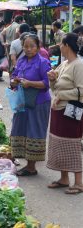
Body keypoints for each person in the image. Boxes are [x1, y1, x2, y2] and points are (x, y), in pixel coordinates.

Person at [47, 33, 83, 194]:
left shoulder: (79, 65)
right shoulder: (64, 64)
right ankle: (64, 178)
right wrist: (52, 79)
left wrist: (61, 95)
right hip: (58, 110)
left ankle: (79, 182)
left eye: (61, 44)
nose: (59, 46)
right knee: (59, 144)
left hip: (71, 111)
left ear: (67, 45)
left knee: (72, 145)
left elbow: (81, 92)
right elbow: (55, 89)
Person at [10, 34, 51, 176]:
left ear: (38, 47)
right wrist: (14, 81)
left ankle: (31, 167)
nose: (28, 49)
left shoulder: (43, 62)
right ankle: (23, 161)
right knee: (19, 128)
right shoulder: (21, 61)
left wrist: (29, 83)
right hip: (22, 102)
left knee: (34, 130)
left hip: (39, 103)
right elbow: (13, 75)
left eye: (32, 46)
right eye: (25, 46)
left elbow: (47, 84)